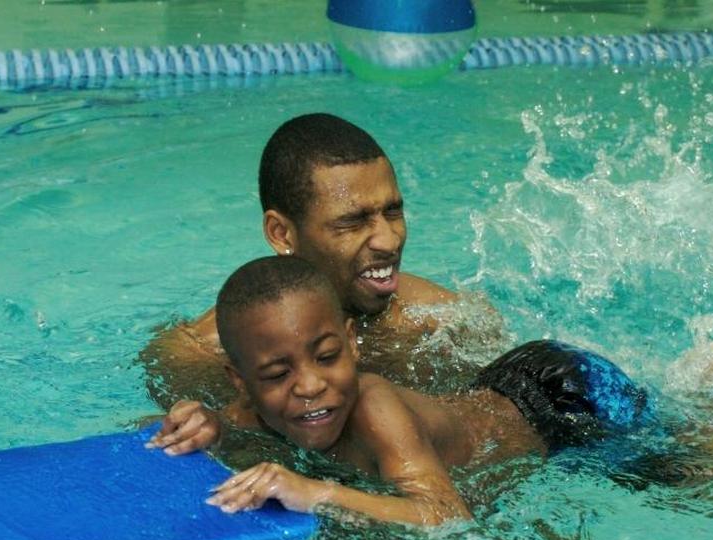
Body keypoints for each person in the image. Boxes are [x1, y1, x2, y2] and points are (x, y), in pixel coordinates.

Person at [150, 255, 713, 526]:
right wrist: (207, 423)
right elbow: (220, 424)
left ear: (353, 345)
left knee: (706, 481)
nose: (309, 386)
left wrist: (313, 492)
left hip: (564, 402)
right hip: (498, 390)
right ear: (241, 382)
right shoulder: (251, 408)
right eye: (277, 376)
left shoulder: (374, 408)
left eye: (328, 357)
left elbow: (443, 514)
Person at [139, 113, 500, 435]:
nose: (389, 240)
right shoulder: (200, 356)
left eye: (393, 212)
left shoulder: (444, 322)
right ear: (282, 234)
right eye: (353, 222)